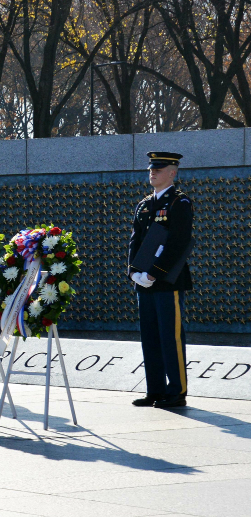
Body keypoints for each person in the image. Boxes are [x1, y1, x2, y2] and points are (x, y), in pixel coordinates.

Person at [128, 152, 193, 409]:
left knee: (170, 337)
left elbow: (178, 244)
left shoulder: (180, 203)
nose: (152, 172)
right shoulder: (144, 205)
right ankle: (154, 390)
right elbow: (135, 241)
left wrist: (153, 272)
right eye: (151, 168)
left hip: (167, 282)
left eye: (159, 168)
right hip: (143, 282)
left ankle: (176, 392)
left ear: (172, 172)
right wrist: (134, 272)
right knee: (150, 337)